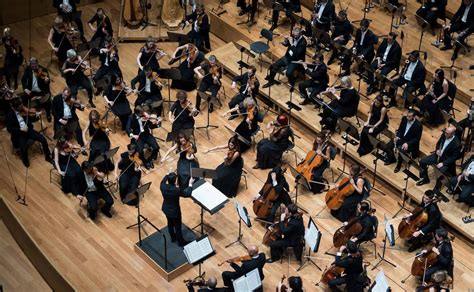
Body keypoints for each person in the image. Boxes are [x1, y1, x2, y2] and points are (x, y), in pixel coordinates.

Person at [6, 99, 52, 167]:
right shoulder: (9, 115)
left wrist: (36, 115)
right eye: (19, 107)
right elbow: (9, 129)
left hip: (28, 130)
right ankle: (25, 161)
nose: (22, 108)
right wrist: (20, 129)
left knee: (43, 139)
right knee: (23, 148)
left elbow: (30, 119)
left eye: (21, 106)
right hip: (19, 134)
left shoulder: (23, 110)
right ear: (14, 108)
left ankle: (48, 156)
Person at [384, 108, 423, 173]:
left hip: (410, 143)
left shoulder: (418, 125)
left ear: (414, 117)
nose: (407, 117)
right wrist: (397, 136)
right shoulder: (404, 118)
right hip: (401, 139)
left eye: (409, 116)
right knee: (388, 146)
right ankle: (392, 159)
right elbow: (400, 129)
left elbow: (417, 139)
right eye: (407, 115)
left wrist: (408, 144)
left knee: (401, 150)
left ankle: (398, 165)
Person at [160, 172, 193, 246]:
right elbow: (187, 194)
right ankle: (181, 242)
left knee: (170, 224)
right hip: (175, 212)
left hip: (166, 209)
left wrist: (167, 174)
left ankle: (173, 238)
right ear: (175, 181)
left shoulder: (163, 186)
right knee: (178, 227)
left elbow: (163, 181)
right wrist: (190, 184)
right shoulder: (176, 190)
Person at [126, 105, 161, 170]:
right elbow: (127, 128)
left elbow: (150, 126)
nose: (144, 113)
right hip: (138, 137)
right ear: (137, 113)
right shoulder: (131, 118)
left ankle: (150, 160)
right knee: (140, 151)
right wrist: (133, 135)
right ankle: (145, 162)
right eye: (142, 113)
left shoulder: (145, 116)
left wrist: (157, 124)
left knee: (156, 147)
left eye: (143, 112)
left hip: (146, 134)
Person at [21, 58, 52, 122]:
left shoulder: (43, 70)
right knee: (23, 100)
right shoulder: (28, 69)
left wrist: (47, 81)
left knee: (48, 102)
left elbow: (47, 82)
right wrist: (25, 89)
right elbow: (23, 79)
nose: (34, 67)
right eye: (32, 66)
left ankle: (48, 113)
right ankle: (27, 115)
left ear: (37, 63)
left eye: (35, 66)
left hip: (41, 90)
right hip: (31, 91)